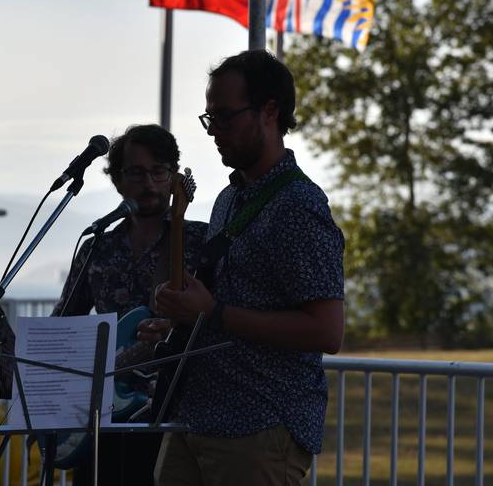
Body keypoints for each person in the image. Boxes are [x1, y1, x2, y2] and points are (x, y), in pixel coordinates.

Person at [144, 50, 346, 486]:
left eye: (225, 118)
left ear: (269, 112)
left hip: (259, 428)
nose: (214, 131)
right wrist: (184, 326)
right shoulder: (229, 199)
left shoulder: (299, 208)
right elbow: (224, 308)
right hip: (198, 419)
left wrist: (212, 314)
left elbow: (327, 331)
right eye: (209, 119)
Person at [53, 123, 208, 486]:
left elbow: (215, 318)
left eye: (159, 171)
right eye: (137, 173)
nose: (150, 183)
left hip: (173, 417)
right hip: (101, 416)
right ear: (118, 181)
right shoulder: (97, 246)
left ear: (174, 179)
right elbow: (63, 325)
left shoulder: (199, 240)